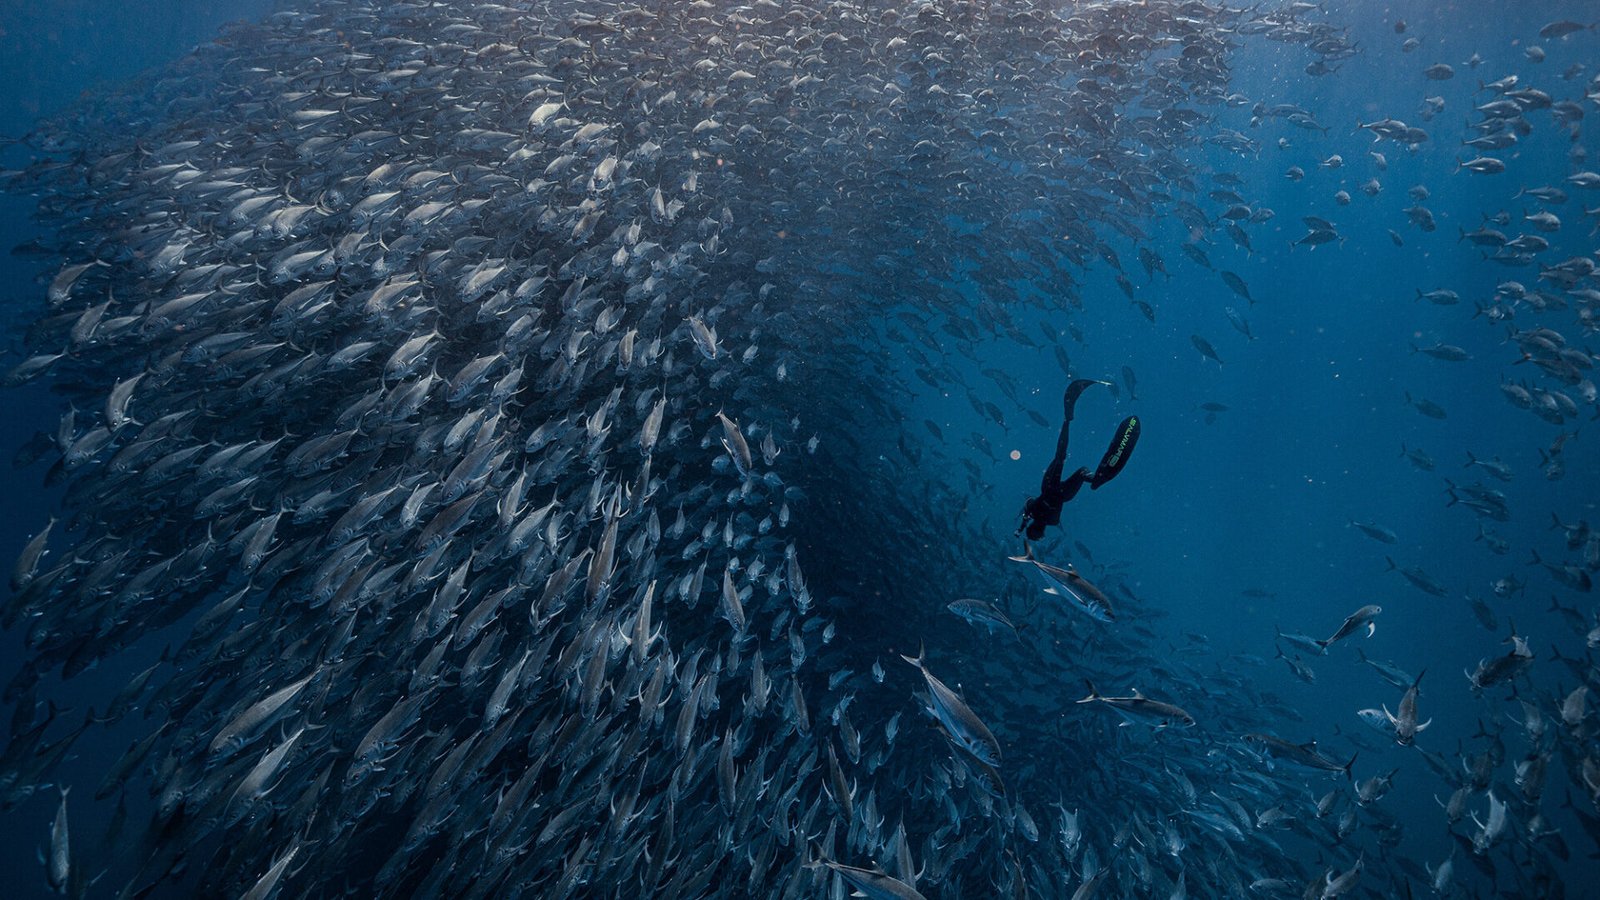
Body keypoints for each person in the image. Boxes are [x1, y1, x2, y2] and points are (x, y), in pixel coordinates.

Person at [1017, 379, 1140, 541]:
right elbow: (1028, 510)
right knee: (1061, 457)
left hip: (1058, 492)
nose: (1042, 533)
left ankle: (1095, 478)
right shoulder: (1033, 511)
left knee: (1072, 465)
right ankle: (1067, 422)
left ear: (1039, 531)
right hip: (1050, 488)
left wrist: (1023, 526)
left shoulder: (1051, 521)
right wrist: (1021, 527)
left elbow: (1029, 512)